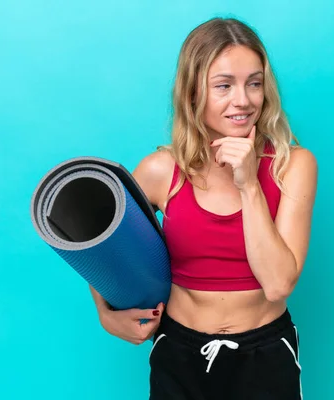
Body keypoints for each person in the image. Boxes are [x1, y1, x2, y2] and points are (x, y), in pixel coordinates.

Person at [89, 17, 318, 400]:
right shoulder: (161, 171)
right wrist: (105, 313)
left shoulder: (292, 165)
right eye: (224, 86)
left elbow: (279, 284)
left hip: (265, 355)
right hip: (179, 354)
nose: (243, 100)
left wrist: (248, 184)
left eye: (254, 83)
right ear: (194, 92)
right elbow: (100, 248)